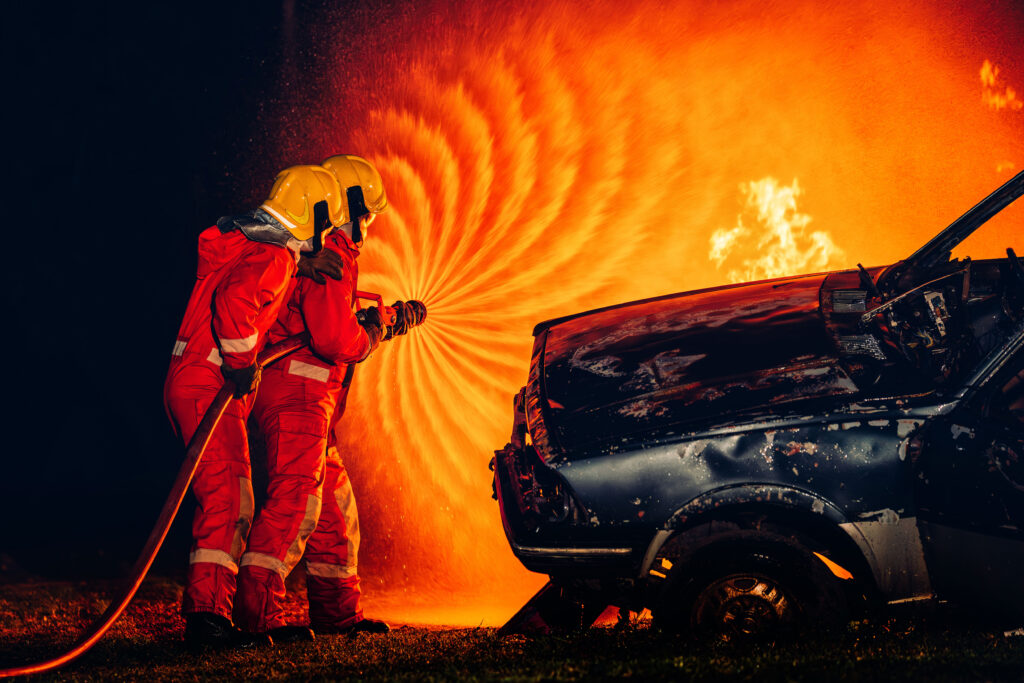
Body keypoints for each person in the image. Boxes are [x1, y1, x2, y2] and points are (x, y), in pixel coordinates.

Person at [233, 155, 425, 641]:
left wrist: (379, 320)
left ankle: (338, 617)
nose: (372, 225)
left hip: (310, 398)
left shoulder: (315, 251)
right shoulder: (333, 255)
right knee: (296, 504)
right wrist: (373, 336)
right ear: (354, 208)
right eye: (371, 214)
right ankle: (258, 618)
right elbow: (334, 339)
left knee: (336, 511)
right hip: (300, 393)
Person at [164, 165, 349, 648]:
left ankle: (214, 616)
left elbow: (245, 275)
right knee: (229, 498)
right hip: (211, 381)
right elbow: (234, 302)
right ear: (315, 214)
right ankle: (208, 622)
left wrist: (299, 266)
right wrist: (243, 361)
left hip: (193, 377)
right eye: (325, 224)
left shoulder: (258, 243)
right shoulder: (273, 256)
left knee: (230, 496)